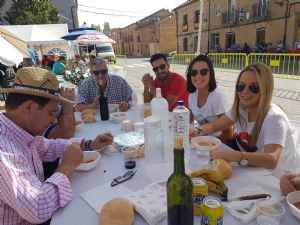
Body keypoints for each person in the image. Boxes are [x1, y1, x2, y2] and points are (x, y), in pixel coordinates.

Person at [0, 67, 113, 225]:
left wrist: (89, 144)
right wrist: (66, 167)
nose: (53, 121)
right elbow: (38, 208)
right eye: (51, 112)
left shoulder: (20, 131)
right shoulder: (4, 152)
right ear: (28, 107)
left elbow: (48, 147)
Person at [190, 63, 300, 171]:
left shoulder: (274, 118)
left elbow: (272, 159)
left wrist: (235, 155)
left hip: (280, 177)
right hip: (252, 167)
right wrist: (196, 132)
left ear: (265, 89)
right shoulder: (242, 108)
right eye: (241, 86)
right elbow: (214, 126)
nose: (245, 92)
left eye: (254, 87)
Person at [186, 54, 233, 142]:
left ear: (211, 74)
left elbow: (228, 134)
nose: (198, 76)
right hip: (201, 137)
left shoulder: (218, 97)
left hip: (218, 142)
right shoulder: (192, 95)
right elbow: (191, 121)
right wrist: (194, 134)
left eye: (203, 72)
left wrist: (209, 143)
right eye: (194, 73)